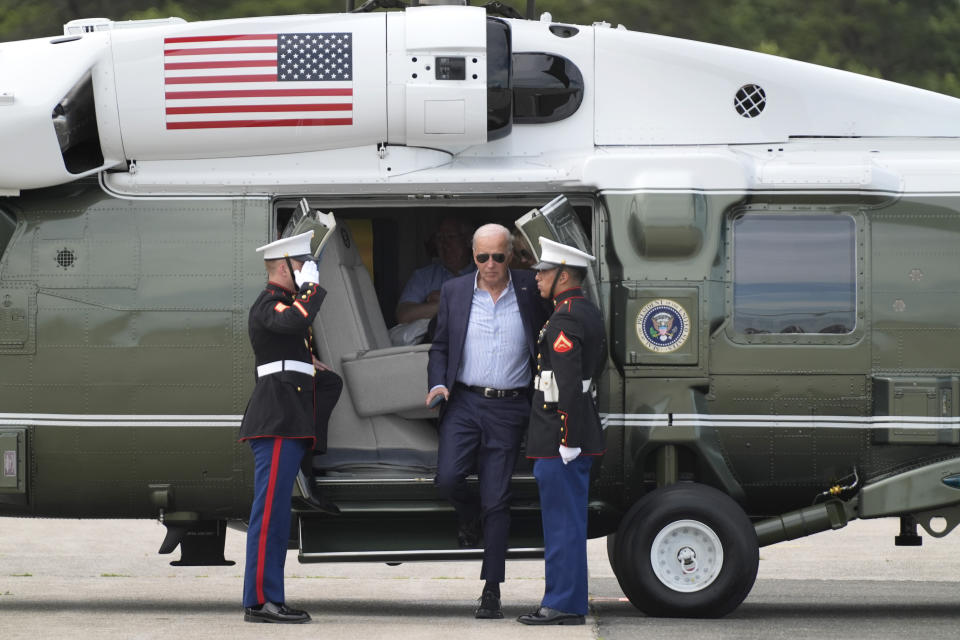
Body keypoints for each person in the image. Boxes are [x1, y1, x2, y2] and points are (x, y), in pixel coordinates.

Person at [425, 223, 549, 619]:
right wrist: (438, 384)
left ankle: (491, 589)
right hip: (463, 401)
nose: (491, 264)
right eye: (483, 257)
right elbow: (440, 345)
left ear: (510, 255)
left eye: (499, 256)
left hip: (510, 407)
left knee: (498, 500)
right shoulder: (455, 291)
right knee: (447, 479)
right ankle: (469, 516)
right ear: (473, 256)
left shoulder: (531, 288)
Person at [239, 230, 341, 624]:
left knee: (278, 513)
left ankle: (269, 598)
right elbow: (294, 322)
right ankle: (262, 601)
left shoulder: (282, 304)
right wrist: (312, 287)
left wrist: (305, 362)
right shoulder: (270, 304)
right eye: (300, 265)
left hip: (288, 419)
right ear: (284, 267)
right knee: (269, 514)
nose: (305, 271)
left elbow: (288, 342)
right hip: (277, 420)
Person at [517, 237, 606, 626]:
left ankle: (563, 603)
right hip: (567, 432)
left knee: (562, 526)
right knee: (566, 523)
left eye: (544, 272)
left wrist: (567, 440)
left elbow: (567, 385)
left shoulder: (566, 318)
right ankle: (566, 602)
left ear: (564, 275)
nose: (537, 279)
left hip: (561, 437)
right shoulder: (579, 311)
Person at [395, 217, 475, 325]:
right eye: (440, 238)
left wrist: (442, 302)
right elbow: (404, 315)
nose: (444, 244)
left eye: (451, 237)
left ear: (468, 241)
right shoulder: (423, 276)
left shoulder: (488, 274)